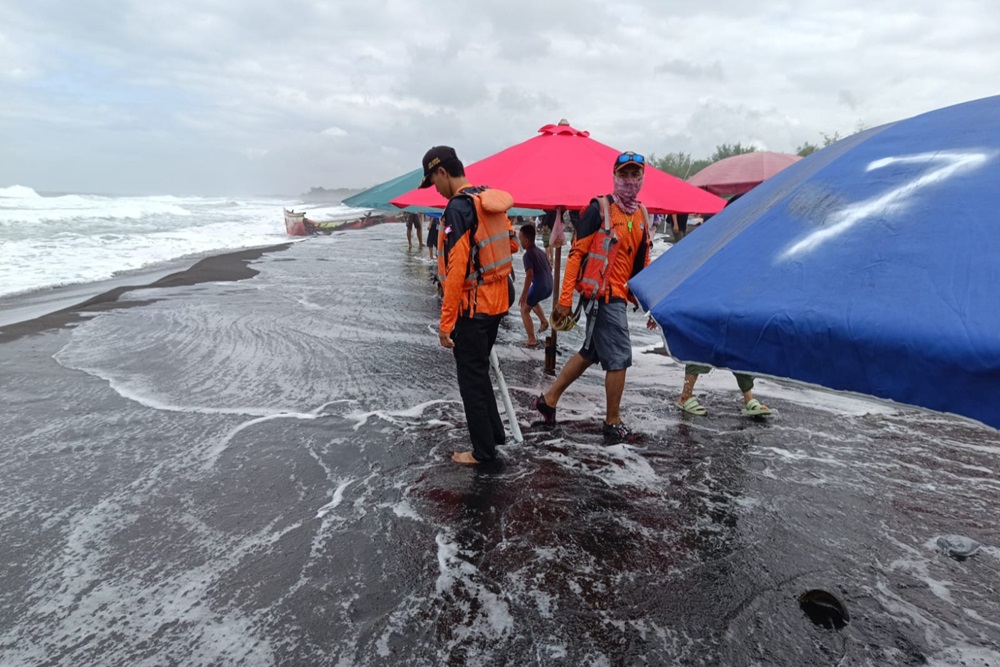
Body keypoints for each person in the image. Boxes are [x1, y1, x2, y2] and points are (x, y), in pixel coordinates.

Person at [532, 151, 656, 443]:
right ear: (614, 176)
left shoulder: (642, 215)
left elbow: (644, 262)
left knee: (591, 353)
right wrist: (564, 301)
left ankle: (548, 401)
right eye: (623, 174)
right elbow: (576, 256)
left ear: (641, 179)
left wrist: (652, 305)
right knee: (620, 359)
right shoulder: (598, 209)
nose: (629, 181)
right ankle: (612, 423)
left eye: (634, 175)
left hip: (620, 297)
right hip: (603, 298)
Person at [420, 145, 519, 465]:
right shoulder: (487, 200)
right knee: (479, 373)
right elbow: (513, 243)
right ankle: (495, 434)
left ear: (442, 173)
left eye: (433, 180)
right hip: (499, 301)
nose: (434, 187)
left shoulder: (458, 209)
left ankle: (483, 453)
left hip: (473, 308)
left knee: (471, 380)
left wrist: (446, 322)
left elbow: (456, 270)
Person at [674, 192, 770, 417]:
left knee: (740, 349)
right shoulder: (718, 237)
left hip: (737, 305)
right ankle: (685, 396)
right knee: (702, 348)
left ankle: (749, 399)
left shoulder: (750, 239)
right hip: (711, 305)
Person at [517, 224, 551, 347]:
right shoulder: (541, 252)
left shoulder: (528, 255)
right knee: (532, 300)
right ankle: (543, 321)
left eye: (520, 239)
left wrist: (524, 293)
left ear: (526, 240)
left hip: (540, 286)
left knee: (524, 309)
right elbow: (550, 267)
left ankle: (531, 339)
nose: (519, 241)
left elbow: (529, 274)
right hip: (549, 286)